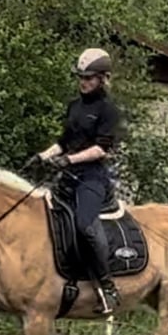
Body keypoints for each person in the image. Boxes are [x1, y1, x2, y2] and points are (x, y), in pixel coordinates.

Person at [37, 47, 122, 314]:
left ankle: (108, 289)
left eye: (89, 77)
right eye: (81, 77)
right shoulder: (74, 107)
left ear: (102, 79)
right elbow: (64, 142)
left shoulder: (108, 110)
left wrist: (69, 160)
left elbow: (101, 148)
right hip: (68, 177)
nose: (83, 82)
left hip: (92, 179)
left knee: (85, 225)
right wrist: (44, 155)